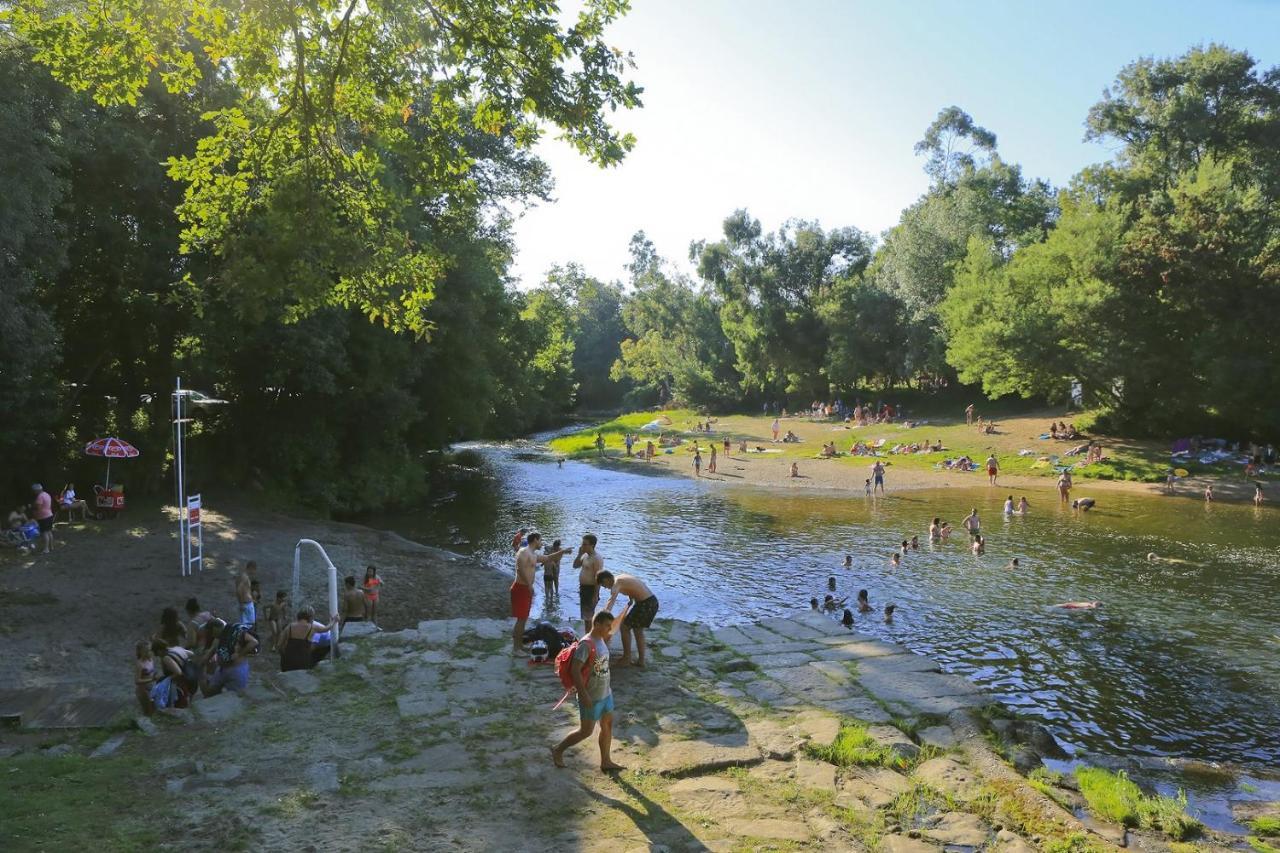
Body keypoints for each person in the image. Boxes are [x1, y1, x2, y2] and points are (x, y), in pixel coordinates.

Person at [550, 607, 630, 772]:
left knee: (607, 725)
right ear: (597, 624)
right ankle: (558, 749)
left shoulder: (601, 638)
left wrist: (625, 610)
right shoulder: (586, 644)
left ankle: (606, 761)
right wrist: (583, 694)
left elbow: (613, 628)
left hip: (606, 693)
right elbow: (575, 670)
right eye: (607, 625)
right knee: (586, 731)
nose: (610, 629)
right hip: (591, 696)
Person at [512, 533, 570, 655]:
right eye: (540, 540)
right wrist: (529, 585)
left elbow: (548, 558)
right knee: (520, 620)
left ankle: (520, 645)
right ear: (535, 540)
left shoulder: (533, 554)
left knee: (523, 619)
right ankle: (516, 649)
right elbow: (519, 569)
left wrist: (563, 551)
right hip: (521, 588)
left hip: (526, 588)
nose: (542, 543)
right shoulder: (524, 551)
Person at [597, 570, 659, 668]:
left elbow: (611, 600)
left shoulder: (616, 584)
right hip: (651, 602)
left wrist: (603, 615)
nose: (605, 588)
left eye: (603, 585)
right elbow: (633, 585)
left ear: (606, 579)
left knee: (624, 627)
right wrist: (631, 599)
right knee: (638, 630)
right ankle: (641, 661)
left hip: (645, 604)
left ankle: (626, 658)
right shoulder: (621, 577)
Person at [202, 620, 260, 696]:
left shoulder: (235, 631)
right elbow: (211, 652)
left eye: (211, 632)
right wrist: (201, 664)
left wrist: (240, 654)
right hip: (221, 670)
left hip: (236, 670)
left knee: (236, 697)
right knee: (210, 693)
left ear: (215, 628)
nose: (211, 635)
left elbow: (254, 642)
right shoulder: (218, 638)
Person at [574, 533, 605, 633]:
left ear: (592, 545)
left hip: (591, 589)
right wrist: (579, 554)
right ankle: (588, 637)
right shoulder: (586, 556)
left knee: (589, 617)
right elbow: (575, 565)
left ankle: (590, 639)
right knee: (586, 617)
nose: (582, 546)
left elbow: (599, 578)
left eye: (584, 544)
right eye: (582, 544)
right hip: (583, 588)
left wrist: (595, 595)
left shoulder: (597, 558)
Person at [29, 484, 53, 555]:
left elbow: (38, 507)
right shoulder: (47, 494)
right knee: (49, 532)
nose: (34, 492)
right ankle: (51, 546)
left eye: (34, 491)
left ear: (37, 490)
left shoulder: (40, 496)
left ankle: (46, 549)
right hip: (49, 514)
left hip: (43, 517)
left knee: (44, 533)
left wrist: (32, 508)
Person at [135, 641, 156, 715]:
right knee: (148, 711)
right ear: (140, 652)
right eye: (146, 651)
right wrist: (151, 679)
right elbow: (137, 681)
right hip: (143, 690)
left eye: (150, 650)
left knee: (154, 709)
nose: (149, 653)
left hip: (151, 687)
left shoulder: (150, 660)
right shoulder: (140, 664)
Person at [235, 561, 257, 625]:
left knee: (246, 624)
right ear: (251, 568)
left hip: (246, 603)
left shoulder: (241, 576)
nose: (254, 572)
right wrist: (241, 603)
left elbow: (244, 591)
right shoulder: (245, 577)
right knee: (248, 624)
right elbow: (239, 590)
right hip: (246, 604)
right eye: (254, 570)